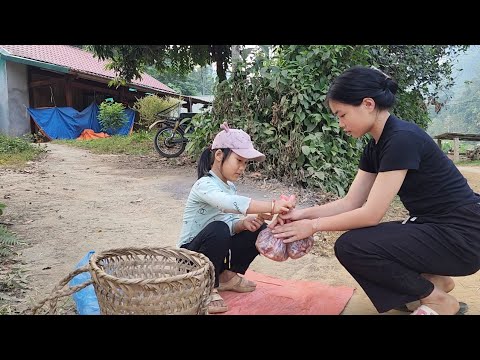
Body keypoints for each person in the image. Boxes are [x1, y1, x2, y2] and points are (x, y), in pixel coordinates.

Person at [269, 66, 480, 315]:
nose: (340, 124)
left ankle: (438, 300)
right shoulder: (375, 147)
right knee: (357, 243)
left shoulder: (402, 138)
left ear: (368, 104)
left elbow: (371, 214)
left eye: (342, 114)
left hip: (463, 235)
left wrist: (313, 227)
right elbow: (351, 202)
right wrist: (302, 215)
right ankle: (434, 283)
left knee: (352, 246)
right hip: (435, 227)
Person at [177, 122, 296, 314]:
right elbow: (227, 204)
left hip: (214, 252)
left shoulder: (229, 186)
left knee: (257, 227)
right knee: (218, 228)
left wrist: (243, 223)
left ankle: (227, 276)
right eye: (239, 161)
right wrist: (273, 207)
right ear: (219, 155)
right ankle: (206, 288)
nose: (242, 168)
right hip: (190, 259)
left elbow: (228, 223)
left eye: (245, 163)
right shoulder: (204, 185)